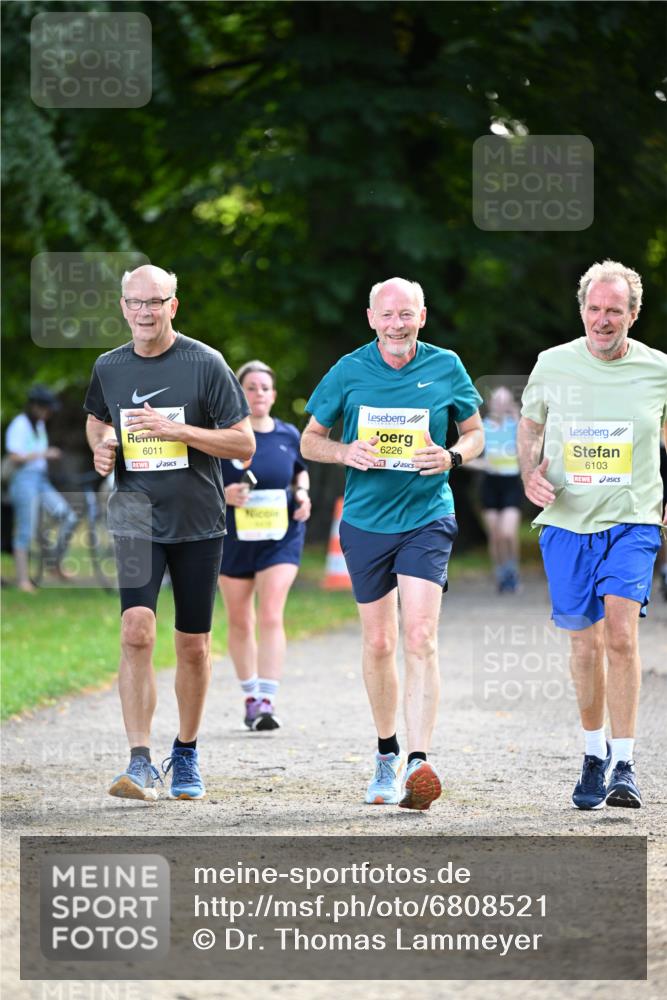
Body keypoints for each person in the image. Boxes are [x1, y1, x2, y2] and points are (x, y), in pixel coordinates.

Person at [301, 277, 484, 810]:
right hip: (365, 522)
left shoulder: (446, 366)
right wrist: (345, 453)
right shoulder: (349, 370)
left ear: (421, 317)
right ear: (371, 318)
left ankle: (418, 761)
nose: (397, 324)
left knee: (421, 635)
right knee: (380, 643)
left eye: (407, 314)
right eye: (388, 315)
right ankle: (386, 753)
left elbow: (474, 434)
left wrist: (451, 455)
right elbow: (312, 439)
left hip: (427, 516)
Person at [84, 264, 255, 802]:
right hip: (135, 516)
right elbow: (97, 419)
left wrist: (177, 430)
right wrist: (104, 443)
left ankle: (184, 753)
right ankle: (138, 761)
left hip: (198, 520)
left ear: (173, 305)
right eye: (134, 303)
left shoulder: (205, 364)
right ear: (123, 306)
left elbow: (243, 443)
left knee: (194, 646)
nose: (144, 312)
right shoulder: (109, 367)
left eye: (154, 302)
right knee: (136, 629)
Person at [518, 259, 667, 811]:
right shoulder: (552, 364)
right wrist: (529, 470)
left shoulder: (658, 370)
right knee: (584, 643)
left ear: (633, 314)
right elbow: (530, 425)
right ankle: (592, 753)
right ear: (582, 309)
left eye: (614, 310)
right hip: (565, 521)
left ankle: (624, 762)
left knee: (621, 634)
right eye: (594, 309)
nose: (603, 320)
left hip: (633, 518)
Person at [218, 360, 311, 731]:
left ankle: (267, 701)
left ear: (274, 395)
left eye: (265, 387)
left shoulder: (288, 434)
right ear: (239, 394)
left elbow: (300, 470)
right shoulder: (222, 436)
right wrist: (224, 494)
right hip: (233, 537)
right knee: (240, 619)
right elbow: (201, 480)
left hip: (281, 535)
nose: (258, 393)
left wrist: (302, 494)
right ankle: (250, 696)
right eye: (251, 387)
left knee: (271, 611)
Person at [5, 385, 77, 593]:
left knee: (68, 516)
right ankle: (22, 580)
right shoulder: (19, 425)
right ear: (35, 406)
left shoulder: (38, 425)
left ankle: (54, 563)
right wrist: (43, 454)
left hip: (41, 479)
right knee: (26, 530)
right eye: (46, 408)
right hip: (23, 479)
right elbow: (14, 456)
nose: (48, 413)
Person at [478, 386, 523, 592]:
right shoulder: (483, 427)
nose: (500, 405)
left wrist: (516, 414)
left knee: (507, 533)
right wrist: (483, 464)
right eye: (497, 401)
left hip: (511, 483)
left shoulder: (515, 426)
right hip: (490, 483)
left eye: (505, 402)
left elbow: (530, 438)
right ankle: (500, 572)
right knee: (495, 534)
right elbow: (466, 457)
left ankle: (512, 569)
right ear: (490, 403)